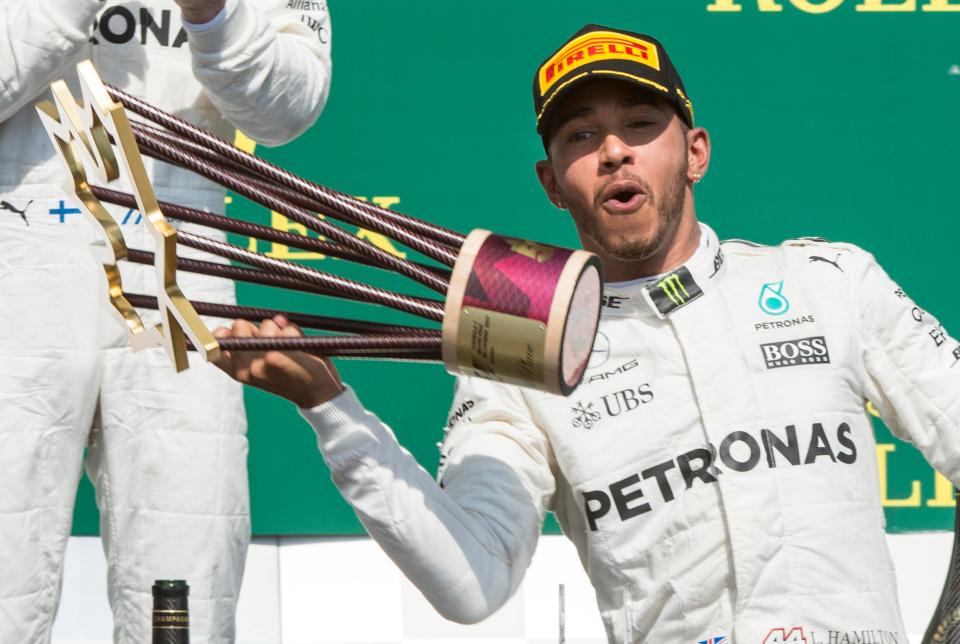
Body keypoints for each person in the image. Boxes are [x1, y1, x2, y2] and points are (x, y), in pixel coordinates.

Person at [212, 24, 960, 644]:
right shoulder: (517, 351)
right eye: (581, 134)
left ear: (695, 151)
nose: (613, 152)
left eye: (640, 126)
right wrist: (330, 408)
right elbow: (470, 580)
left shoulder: (828, 284)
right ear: (550, 181)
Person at [0, 1, 331, 642]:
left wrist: (214, 14)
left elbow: (288, 110)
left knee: (186, 596)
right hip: (18, 251)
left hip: (181, 252)